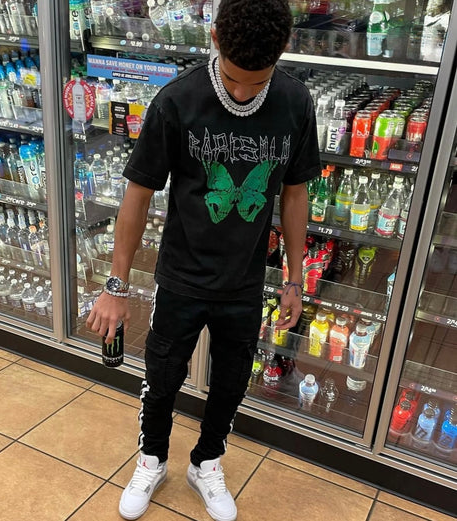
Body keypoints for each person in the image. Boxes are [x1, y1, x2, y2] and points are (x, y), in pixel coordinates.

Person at [87, 1, 321, 519]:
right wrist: (115, 285)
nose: (243, 94)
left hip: (245, 281)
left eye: (257, 83)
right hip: (181, 276)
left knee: (232, 380)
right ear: (214, 38)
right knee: (162, 378)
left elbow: (295, 193)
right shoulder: (177, 100)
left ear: (283, 52)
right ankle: (151, 459)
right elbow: (137, 194)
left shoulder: (294, 102)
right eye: (234, 80)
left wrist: (295, 278)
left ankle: (207, 461)